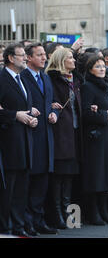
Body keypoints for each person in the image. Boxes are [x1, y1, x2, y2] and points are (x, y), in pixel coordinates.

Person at [80, 56, 108, 225]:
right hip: (96, 138)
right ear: (90, 69)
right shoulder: (88, 86)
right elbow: (85, 112)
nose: (101, 68)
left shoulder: (104, 86)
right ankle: (94, 212)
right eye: (97, 66)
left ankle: (104, 210)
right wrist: (104, 115)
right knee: (97, 177)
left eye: (102, 66)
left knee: (107, 176)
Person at [0, 43, 38, 237]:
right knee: (9, 189)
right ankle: (5, 226)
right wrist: (15, 115)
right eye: (21, 55)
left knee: (21, 188)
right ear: (10, 58)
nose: (25, 58)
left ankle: (18, 225)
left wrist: (30, 116)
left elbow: (22, 105)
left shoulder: (21, 79)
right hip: (9, 142)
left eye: (25, 55)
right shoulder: (2, 78)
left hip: (25, 140)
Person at [21, 43, 58, 235]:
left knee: (43, 181)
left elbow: (49, 103)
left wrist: (53, 113)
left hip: (46, 136)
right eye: (40, 55)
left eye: (45, 54)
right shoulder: (22, 77)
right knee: (30, 181)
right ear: (28, 57)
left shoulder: (45, 77)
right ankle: (28, 222)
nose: (44, 58)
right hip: (30, 136)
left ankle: (39, 219)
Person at [45, 48, 83, 229]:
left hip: (74, 131)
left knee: (69, 176)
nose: (73, 60)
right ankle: (57, 214)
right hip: (60, 132)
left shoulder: (74, 79)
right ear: (61, 61)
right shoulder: (52, 79)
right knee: (59, 176)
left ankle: (68, 212)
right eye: (70, 58)